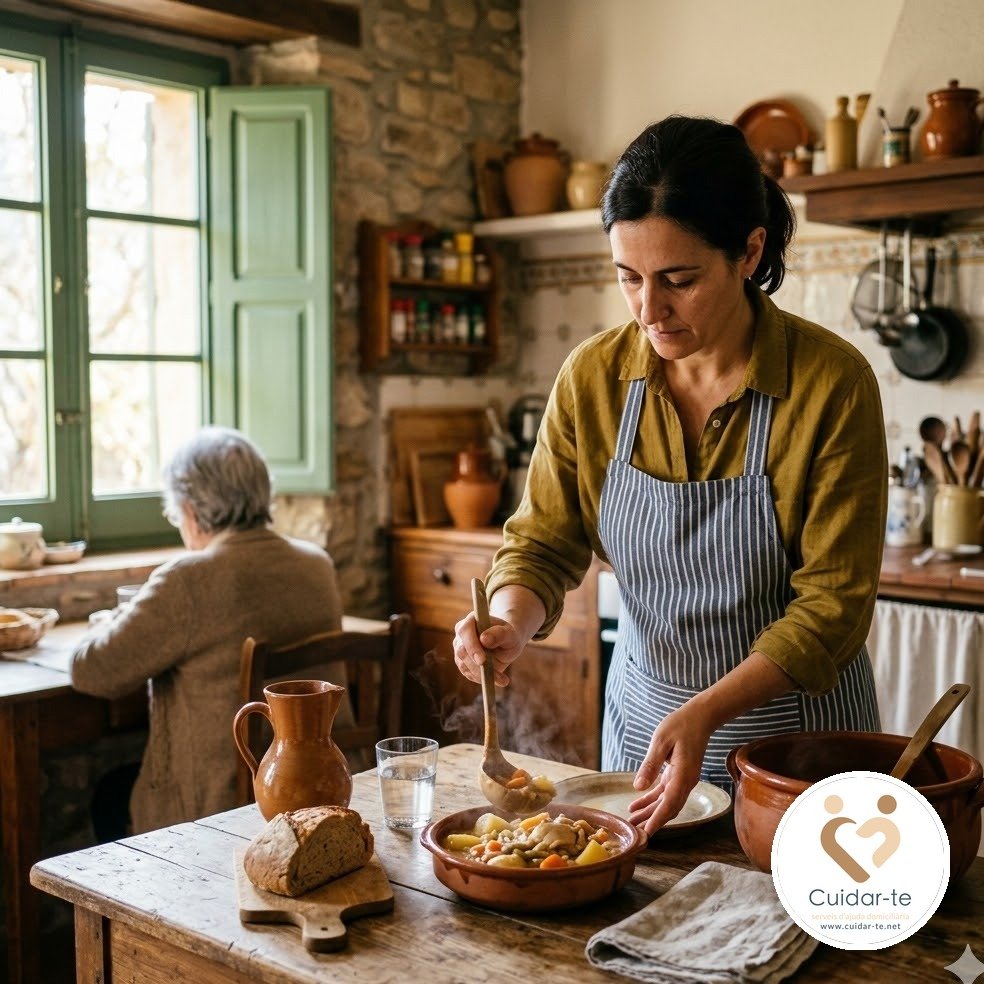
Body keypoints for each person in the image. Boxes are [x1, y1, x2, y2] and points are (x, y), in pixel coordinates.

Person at [452, 116, 887, 835]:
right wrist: (507, 622)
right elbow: (543, 543)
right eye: (628, 278)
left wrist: (711, 712)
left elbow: (832, 609)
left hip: (795, 757)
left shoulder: (831, 384)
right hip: (643, 748)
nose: (649, 310)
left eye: (678, 280)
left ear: (748, 252)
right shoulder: (591, 378)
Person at [71, 426, 346, 836]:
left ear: (192, 511)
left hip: (220, 807)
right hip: (319, 788)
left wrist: (112, 620)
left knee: (108, 796)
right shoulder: (317, 564)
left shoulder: (188, 580)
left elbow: (90, 670)